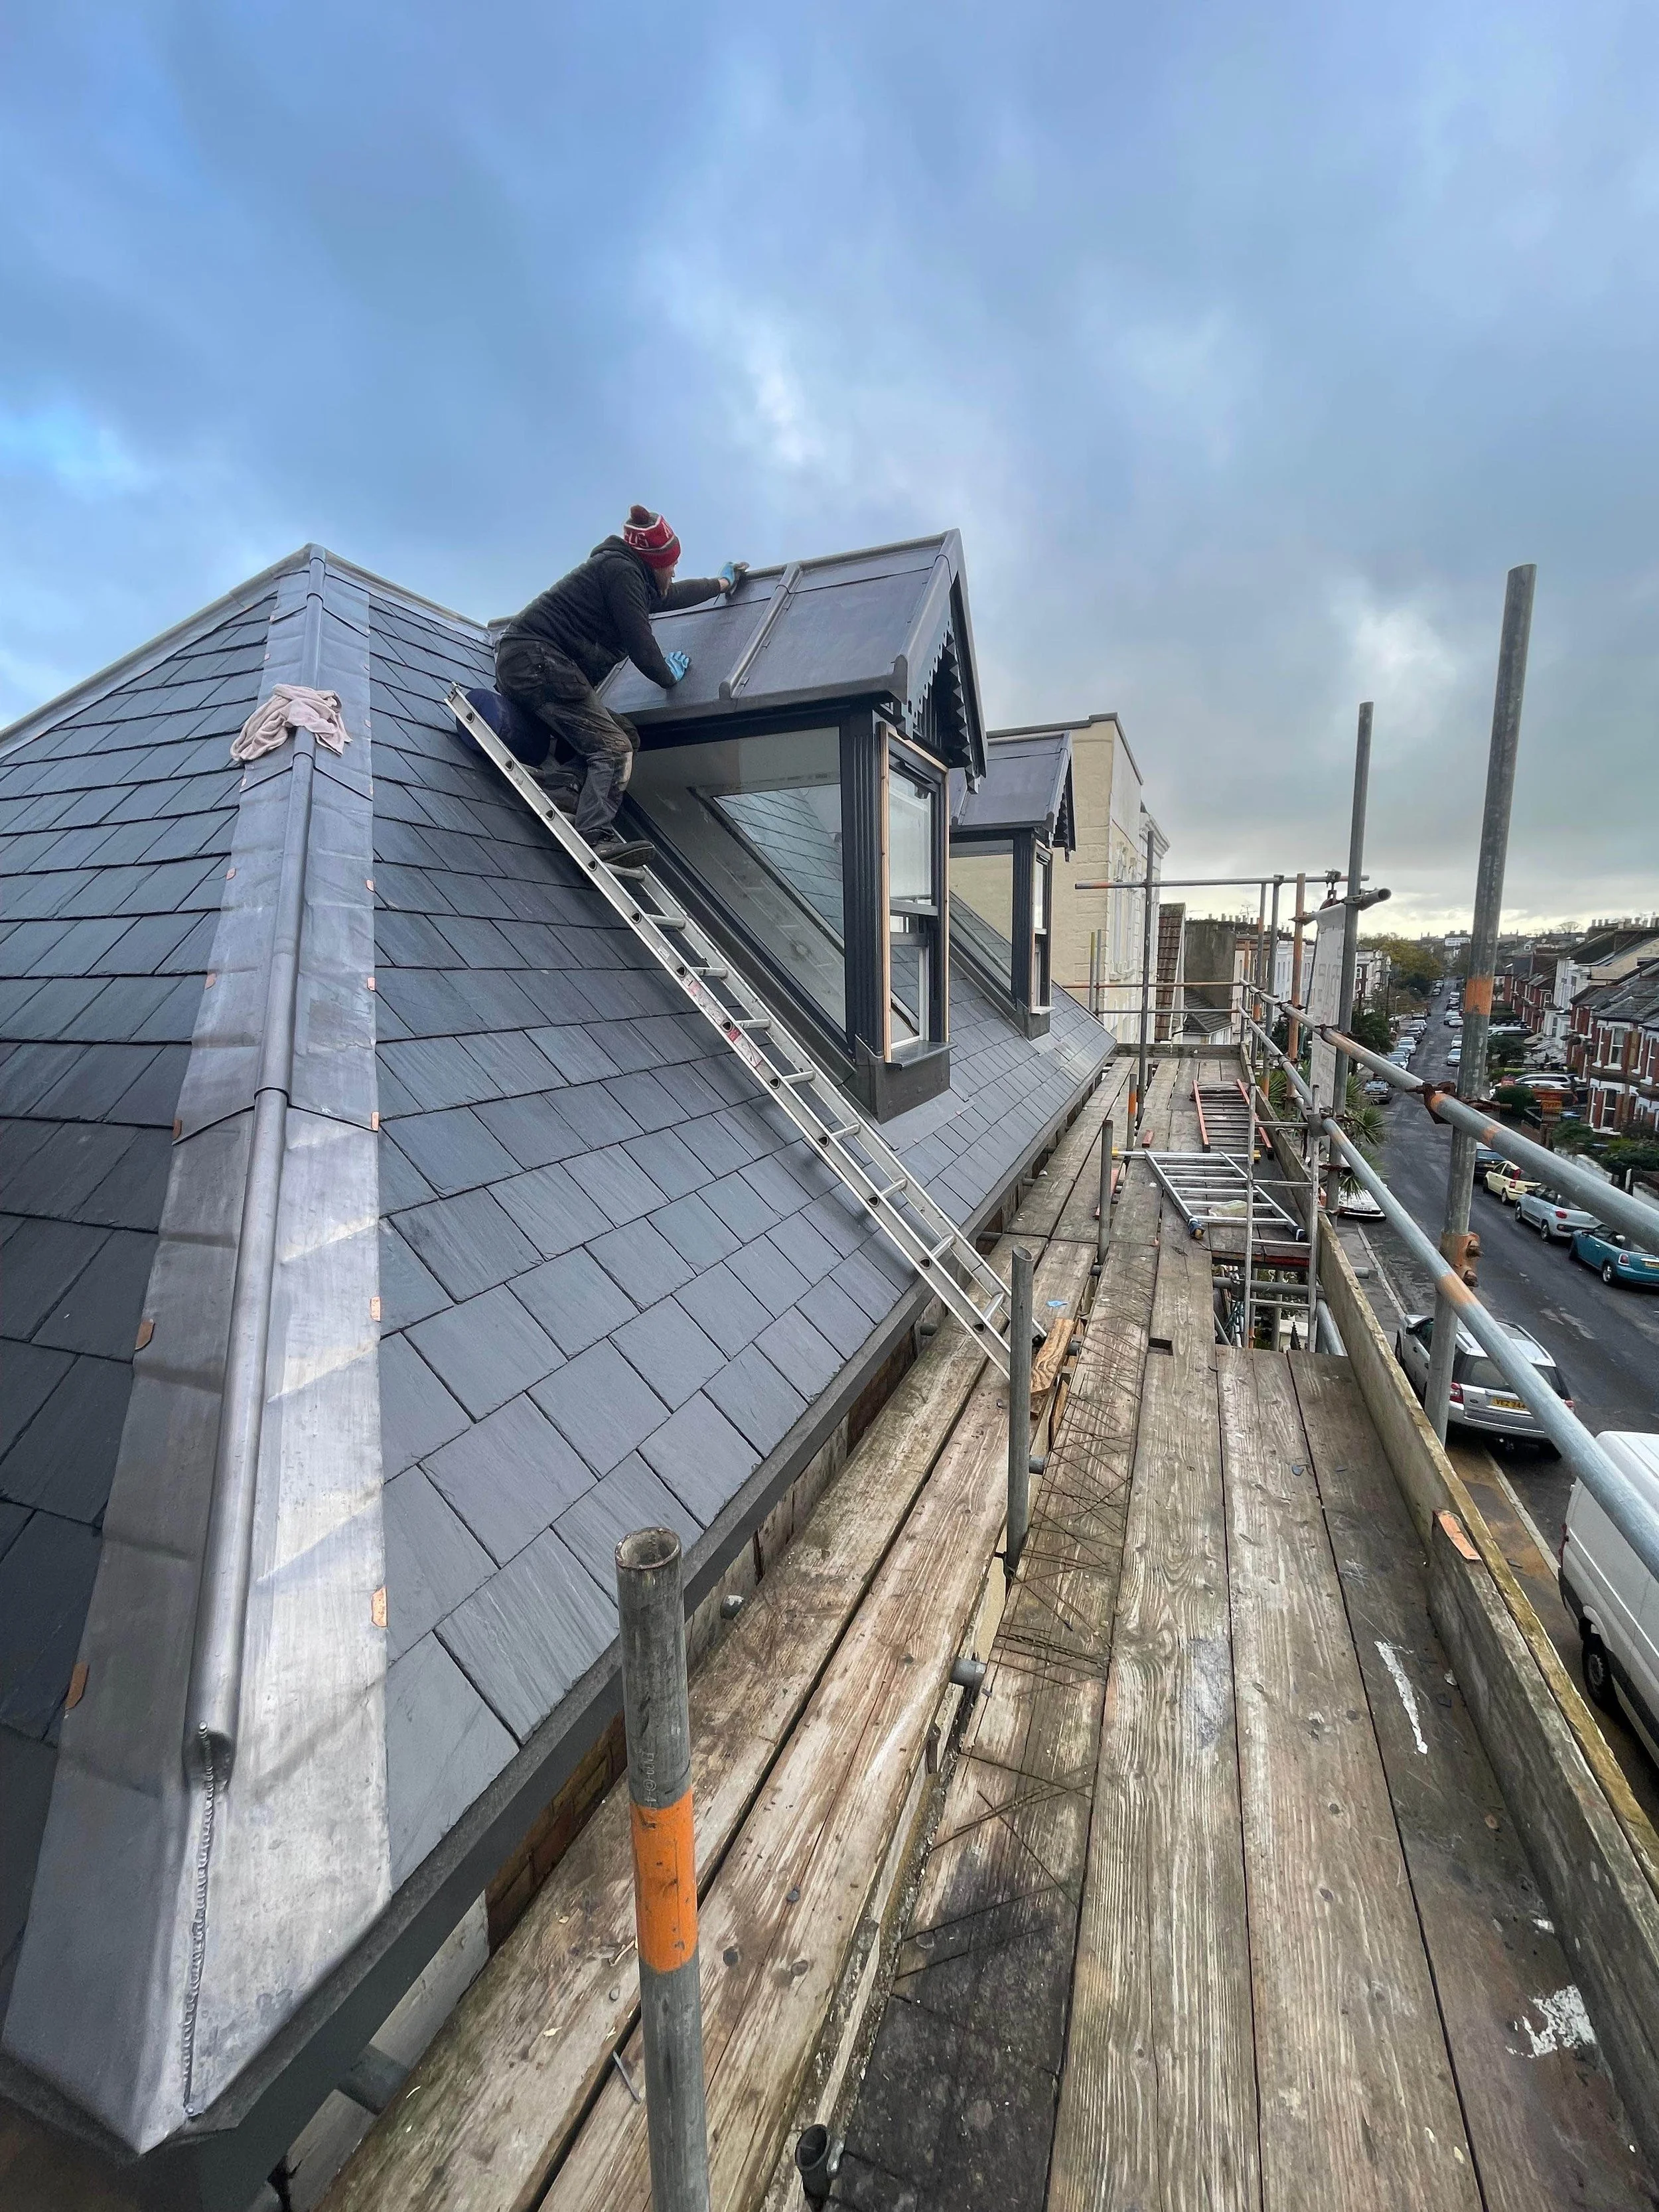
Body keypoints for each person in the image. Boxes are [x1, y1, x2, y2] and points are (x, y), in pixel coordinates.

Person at [494, 507, 741, 867]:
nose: (674, 571)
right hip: (537, 662)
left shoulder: (631, 575)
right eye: (671, 563)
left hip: (533, 664)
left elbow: (674, 595)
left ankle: (566, 789)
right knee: (614, 748)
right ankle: (595, 837)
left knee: (626, 734)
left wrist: (721, 585)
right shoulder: (622, 572)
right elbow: (641, 645)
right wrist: (667, 676)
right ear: (655, 561)